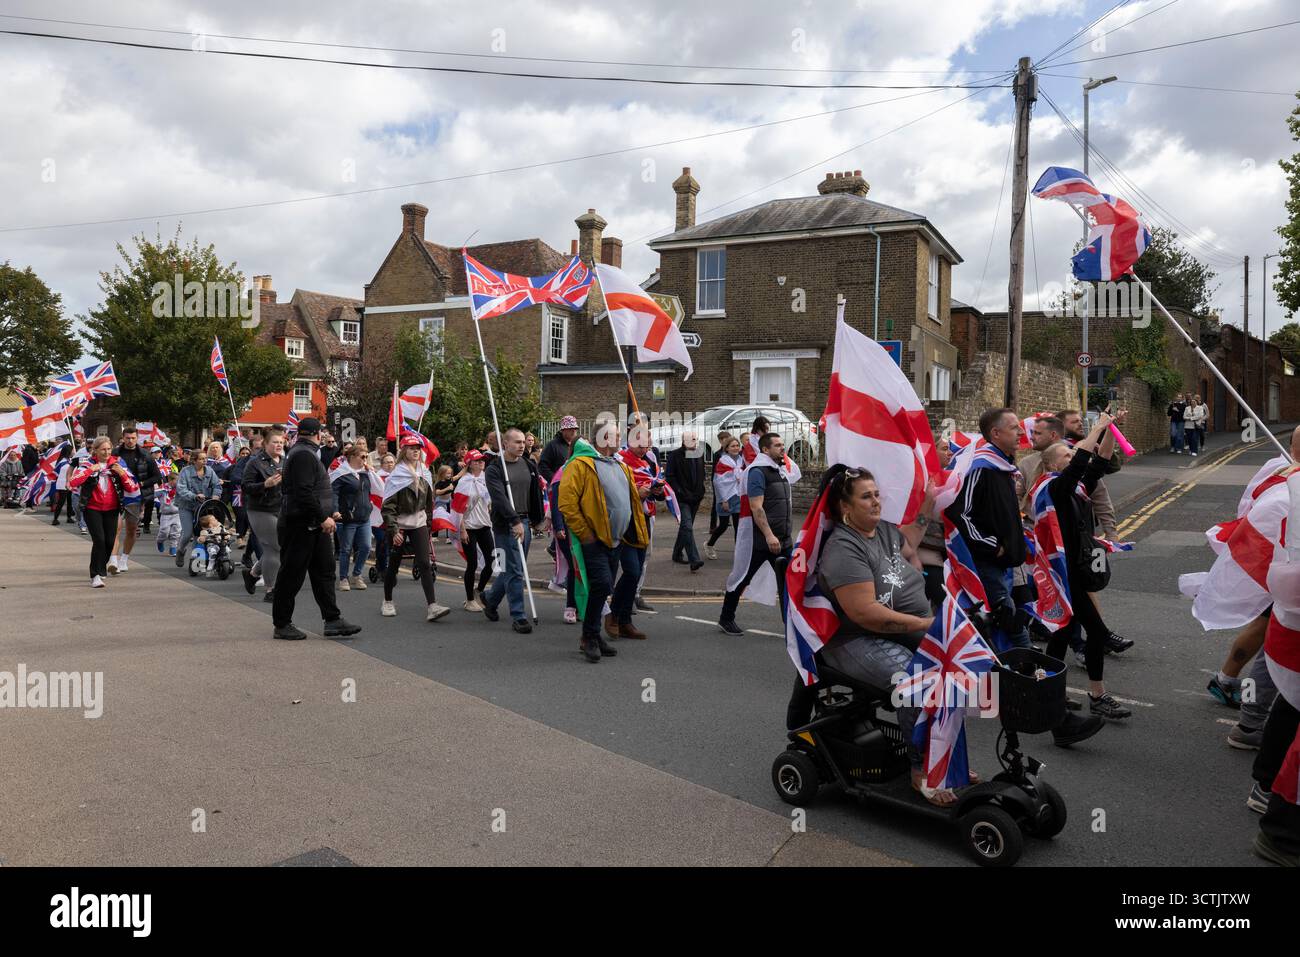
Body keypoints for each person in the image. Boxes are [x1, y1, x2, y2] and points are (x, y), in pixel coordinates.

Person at [1032, 411, 1132, 719]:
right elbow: (1080, 464)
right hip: (1064, 577)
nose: (1072, 455)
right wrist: (1097, 427)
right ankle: (1095, 695)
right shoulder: (1055, 489)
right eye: (1066, 453)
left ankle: (1047, 691)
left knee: (1062, 636)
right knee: (1096, 634)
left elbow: (1098, 463)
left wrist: (1110, 431)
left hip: (1075, 571)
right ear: (1051, 464)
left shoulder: (1074, 488)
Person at [558, 424, 649, 663]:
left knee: (603, 589)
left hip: (616, 540)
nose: (621, 438)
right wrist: (585, 534)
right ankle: (588, 637)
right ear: (602, 437)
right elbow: (566, 503)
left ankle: (594, 636)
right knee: (601, 585)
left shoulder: (620, 465)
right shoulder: (579, 465)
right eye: (616, 434)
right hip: (594, 539)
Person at [944, 408, 1031, 650]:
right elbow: (960, 513)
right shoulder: (981, 466)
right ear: (996, 433)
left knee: (1004, 623)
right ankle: (1029, 674)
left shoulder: (1002, 465)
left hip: (1003, 563)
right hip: (986, 562)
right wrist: (992, 546)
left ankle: (1011, 674)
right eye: (1014, 427)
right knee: (1009, 620)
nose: (1021, 432)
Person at [271, 417, 361, 641]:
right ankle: (281, 624)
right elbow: (303, 492)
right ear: (317, 435)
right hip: (301, 523)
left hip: (313, 524)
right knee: (292, 574)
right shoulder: (303, 454)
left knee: (324, 572)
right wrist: (323, 517)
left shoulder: (306, 452)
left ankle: (332, 619)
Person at [718, 431, 794, 636]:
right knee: (743, 577)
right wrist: (769, 535)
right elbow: (756, 507)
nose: (782, 448)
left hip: (784, 539)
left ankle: (792, 625)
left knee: (793, 583)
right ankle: (726, 618)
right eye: (777, 445)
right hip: (761, 540)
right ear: (765, 449)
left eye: (782, 444)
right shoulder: (757, 472)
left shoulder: (779, 470)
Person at [482, 428, 548, 633]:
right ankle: (518, 615)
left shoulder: (528, 464)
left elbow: (535, 492)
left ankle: (490, 599)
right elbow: (500, 498)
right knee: (516, 570)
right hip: (507, 525)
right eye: (517, 442)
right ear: (505, 444)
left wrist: (538, 519)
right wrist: (514, 521)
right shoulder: (494, 469)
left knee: (514, 568)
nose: (521, 445)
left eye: (523, 442)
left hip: (526, 521)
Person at [379, 435, 450, 621]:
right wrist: (394, 530)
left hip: (418, 523)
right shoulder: (396, 475)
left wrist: (428, 525)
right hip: (399, 524)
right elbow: (388, 507)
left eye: (418, 447)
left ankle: (432, 606)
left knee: (425, 564)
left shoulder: (425, 472)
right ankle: (387, 600)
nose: (416, 450)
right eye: (411, 448)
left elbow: (428, 504)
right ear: (403, 451)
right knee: (393, 565)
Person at [67, 436, 139, 588]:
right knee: (99, 540)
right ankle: (95, 574)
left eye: (108, 449)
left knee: (109, 542)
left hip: (112, 509)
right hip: (92, 508)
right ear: (95, 450)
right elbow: (74, 482)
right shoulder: (87, 463)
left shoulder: (118, 463)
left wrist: (122, 474)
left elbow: (132, 487)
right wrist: (90, 471)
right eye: (103, 449)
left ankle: (101, 568)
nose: (106, 452)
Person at [107, 426, 162, 576]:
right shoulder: (114, 453)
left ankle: (124, 559)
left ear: (137, 438)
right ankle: (113, 560)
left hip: (136, 497)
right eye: (127, 438)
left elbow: (157, 477)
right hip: (116, 495)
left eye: (133, 438)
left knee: (131, 529)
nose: (130, 441)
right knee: (115, 529)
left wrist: (140, 484)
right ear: (123, 438)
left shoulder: (145, 455)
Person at [241, 429, 286, 601]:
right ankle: (270, 590)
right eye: (275, 442)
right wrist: (264, 485)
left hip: (281, 508)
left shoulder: (285, 461)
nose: (278, 445)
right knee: (275, 548)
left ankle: (252, 575)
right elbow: (246, 487)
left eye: (281, 442)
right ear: (265, 444)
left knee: (276, 549)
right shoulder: (255, 463)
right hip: (260, 509)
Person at [455, 450, 494, 612]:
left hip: (484, 525)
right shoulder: (463, 482)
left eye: (482, 460)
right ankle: (469, 600)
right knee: (472, 564)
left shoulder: (486, 479)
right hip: (469, 527)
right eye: (477, 461)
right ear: (469, 464)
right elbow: (457, 509)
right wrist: (462, 529)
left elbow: (490, 502)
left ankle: (478, 591)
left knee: (492, 561)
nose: (481, 463)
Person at [331, 445, 373, 592]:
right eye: (363, 457)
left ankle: (357, 574)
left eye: (367, 456)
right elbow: (334, 494)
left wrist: (372, 473)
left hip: (364, 517)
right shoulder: (340, 474)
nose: (366, 460)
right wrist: (335, 510)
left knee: (366, 547)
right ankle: (343, 578)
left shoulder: (365, 473)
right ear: (353, 457)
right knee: (346, 549)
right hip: (348, 518)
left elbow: (375, 490)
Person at [666, 430, 706, 571]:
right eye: (690, 439)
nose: (693, 442)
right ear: (683, 441)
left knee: (685, 528)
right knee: (687, 527)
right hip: (681, 499)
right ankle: (694, 559)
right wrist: (680, 491)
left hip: (696, 498)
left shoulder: (699, 454)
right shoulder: (674, 455)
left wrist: (701, 490)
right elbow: (670, 477)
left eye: (695, 439)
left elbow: (702, 474)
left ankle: (677, 553)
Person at [174, 448, 221, 567]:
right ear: (194, 460)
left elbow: (216, 485)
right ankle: (180, 550)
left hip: (203, 506)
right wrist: (194, 496)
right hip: (186, 505)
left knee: (200, 533)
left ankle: (195, 560)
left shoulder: (209, 471)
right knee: (188, 533)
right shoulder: (185, 471)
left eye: (205, 458)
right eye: (201, 459)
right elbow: (181, 489)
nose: (204, 461)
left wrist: (216, 495)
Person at [370, 452, 396, 586]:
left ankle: (388, 568)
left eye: (392, 462)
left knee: (391, 544)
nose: (390, 464)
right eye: (387, 462)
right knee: (382, 541)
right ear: (382, 464)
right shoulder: (376, 477)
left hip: (394, 517)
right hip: (378, 517)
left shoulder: (398, 477)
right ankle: (381, 567)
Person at [539, 416, 579, 484]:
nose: (573, 431)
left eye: (575, 428)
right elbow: (542, 466)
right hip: (558, 487)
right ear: (563, 430)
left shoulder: (577, 445)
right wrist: (555, 480)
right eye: (570, 428)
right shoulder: (552, 445)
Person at [154, 473, 181, 555]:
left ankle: (173, 547)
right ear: (169, 480)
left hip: (177, 514)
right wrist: (159, 503)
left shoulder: (180, 489)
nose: (176, 482)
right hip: (166, 514)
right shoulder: (162, 489)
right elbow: (153, 496)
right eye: (174, 480)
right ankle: (160, 541)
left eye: (177, 480)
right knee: (164, 531)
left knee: (176, 532)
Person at [433, 465, 456, 541]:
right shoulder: (439, 483)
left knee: (448, 518)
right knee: (439, 518)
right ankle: (434, 535)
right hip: (440, 502)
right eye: (447, 473)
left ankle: (448, 537)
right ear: (442, 474)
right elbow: (437, 492)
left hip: (449, 501)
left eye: (450, 473)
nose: (449, 475)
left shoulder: (450, 480)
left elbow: (459, 475)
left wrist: (466, 467)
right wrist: (447, 488)